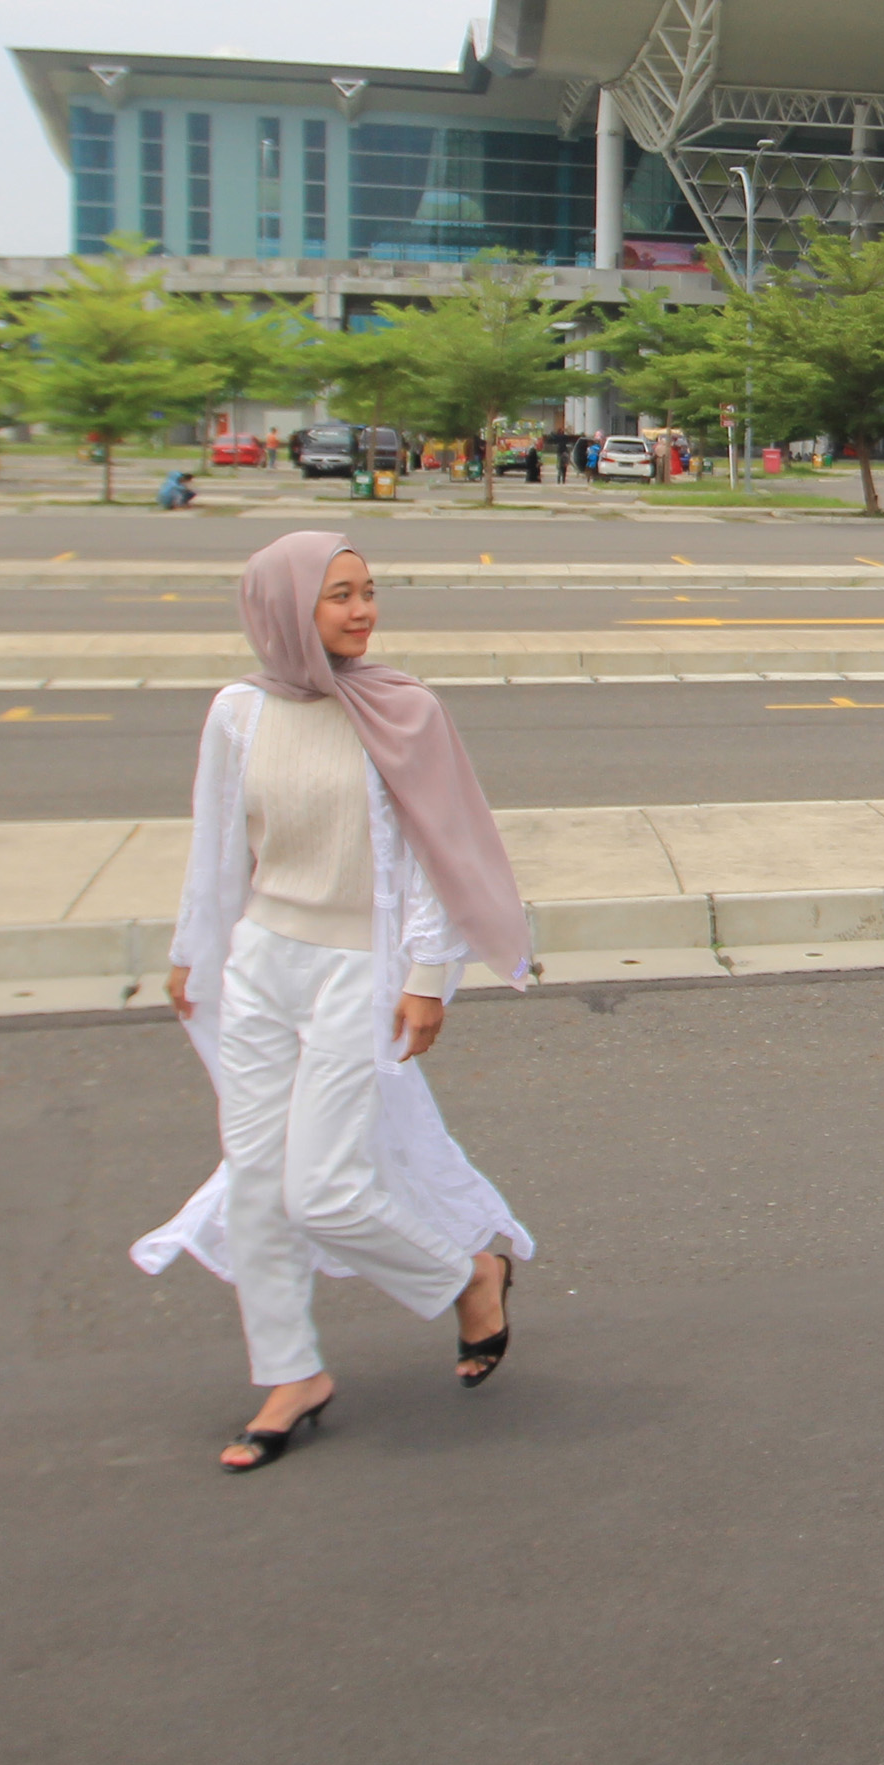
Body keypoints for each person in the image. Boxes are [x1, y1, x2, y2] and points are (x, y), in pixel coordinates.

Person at [137, 533, 540, 1469]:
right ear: (284, 610)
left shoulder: (402, 710)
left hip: (359, 965)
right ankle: (290, 1373)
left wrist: (427, 977)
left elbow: (441, 855)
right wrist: (192, 951)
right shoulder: (239, 712)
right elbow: (217, 844)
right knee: (256, 1179)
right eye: (338, 596)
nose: (362, 611)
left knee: (322, 1186)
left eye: (368, 592)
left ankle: (470, 1273)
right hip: (261, 963)